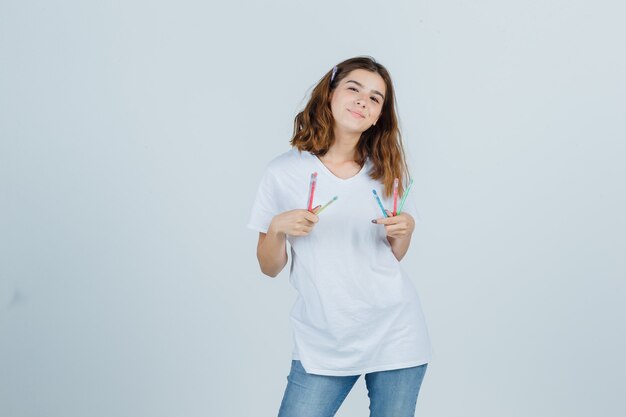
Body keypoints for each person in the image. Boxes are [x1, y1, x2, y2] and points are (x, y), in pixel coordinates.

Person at [247, 56, 433, 417]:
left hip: (396, 331)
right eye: (353, 89)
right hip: (324, 338)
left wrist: (405, 231)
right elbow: (268, 268)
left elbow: (391, 256)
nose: (363, 101)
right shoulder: (283, 172)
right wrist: (277, 229)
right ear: (329, 94)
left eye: (375, 98)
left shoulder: (387, 173)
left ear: (379, 115)